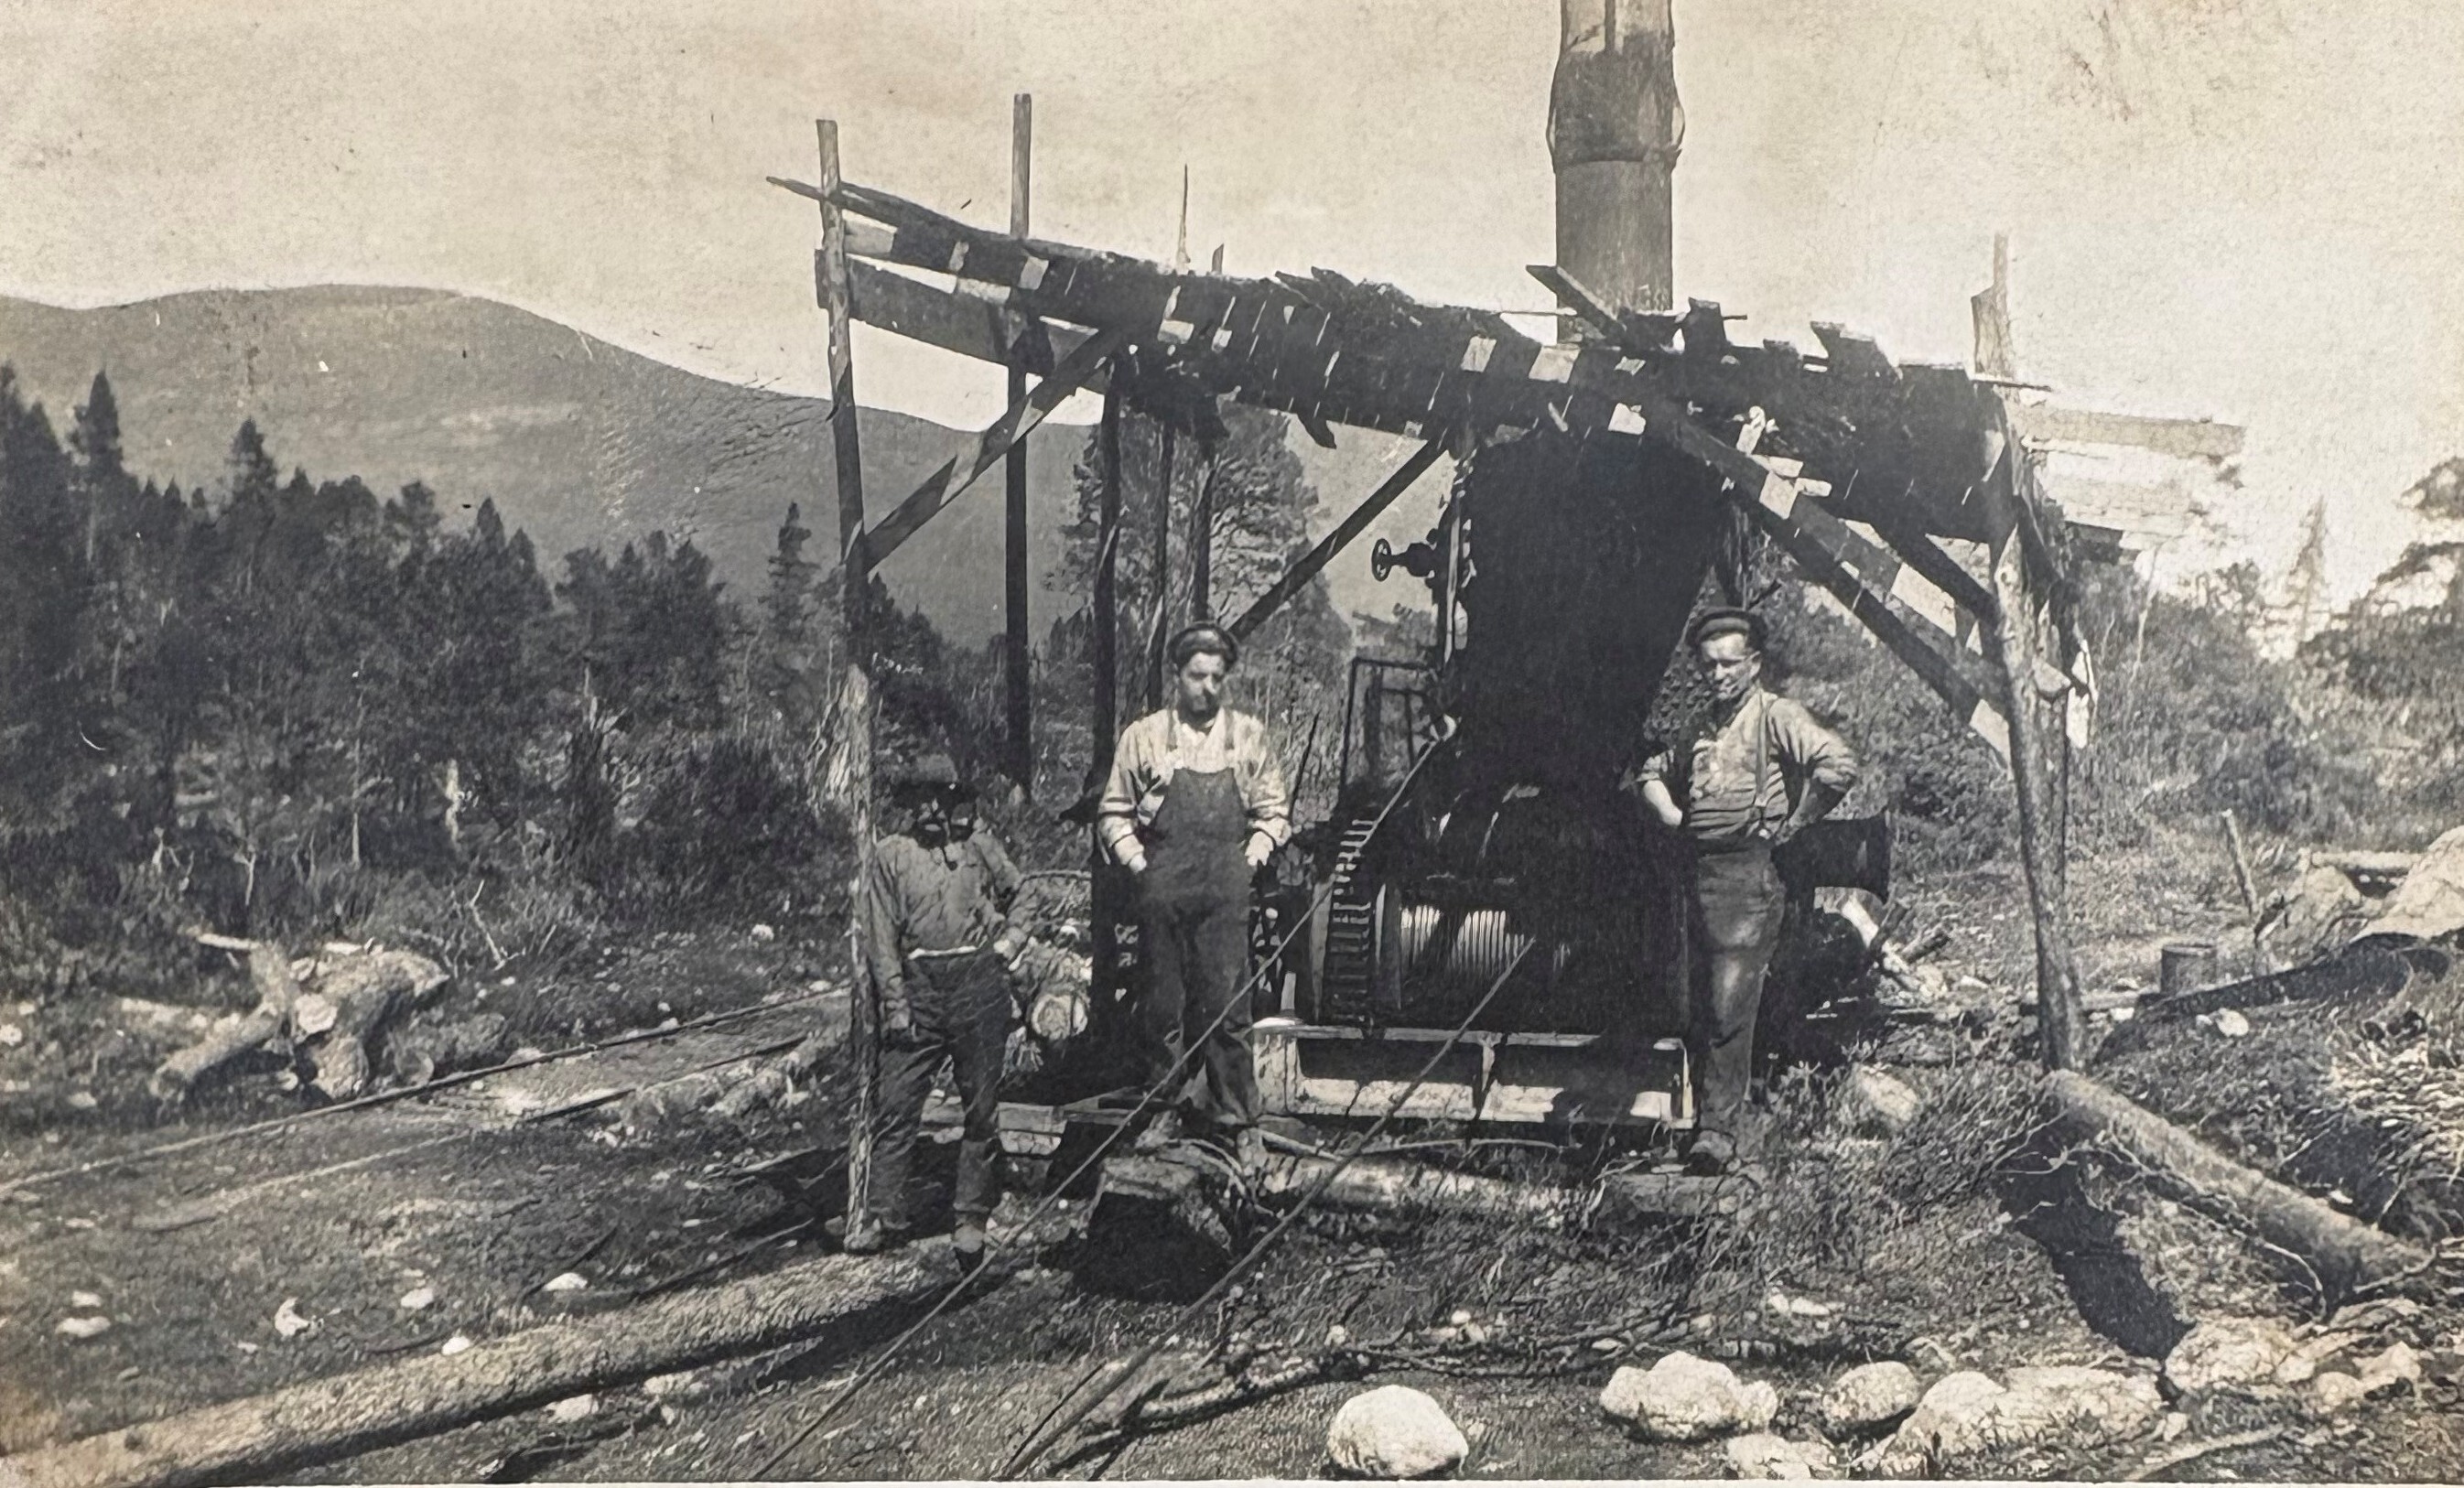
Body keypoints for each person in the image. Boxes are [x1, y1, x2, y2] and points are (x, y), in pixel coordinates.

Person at [1635, 609, 1859, 1174]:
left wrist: (1796, 822)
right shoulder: (1701, 726)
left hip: (1751, 877)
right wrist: (1673, 815)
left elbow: (1838, 765)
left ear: (1754, 664)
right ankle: (1688, 1121)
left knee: (1729, 1004)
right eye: (1709, 665)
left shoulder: (1775, 715)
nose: (1718, 675)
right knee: (1691, 1001)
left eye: (1729, 664)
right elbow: (1651, 771)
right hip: (1696, 874)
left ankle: (1719, 1134)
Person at [1098, 623, 1291, 1167]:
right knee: (1163, 1002)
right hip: (1164, 884)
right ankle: (1165, 1107)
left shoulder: (1248, 736)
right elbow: (1114, 812)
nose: (1207, 687)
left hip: (1225, 887)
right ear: (1177, 677)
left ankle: (1238, 1119)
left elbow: (1273, 811)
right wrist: (1141, 866)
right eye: (1196, 676)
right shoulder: (1145, 736)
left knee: (1228, 1004)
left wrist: (1249, 859)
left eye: (1217, 677)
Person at [839, 753, 1028, 1264]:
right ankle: (884, 1215)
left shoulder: (979, 847)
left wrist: (1010, 940)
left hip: (977, 983)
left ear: (951, 800)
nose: (930, 810)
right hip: (920, 988)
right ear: (908, 806)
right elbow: (880, 938)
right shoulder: (890, 855)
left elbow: (1023, 893)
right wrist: (896, 1004)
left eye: (938, 798)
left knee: (980, 1110)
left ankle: (970, 1217)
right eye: (918, 800)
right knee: (897, 1105)